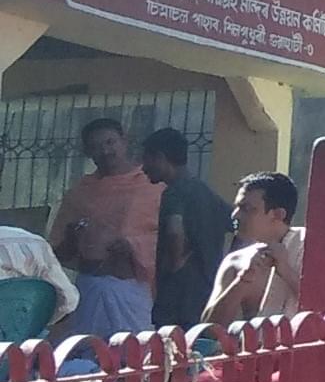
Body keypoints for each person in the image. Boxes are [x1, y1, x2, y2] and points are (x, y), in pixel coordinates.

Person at [48, 118, 161, 340]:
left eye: (110, 142)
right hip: (89, 289)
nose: (105, 151)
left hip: (133, 289)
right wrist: (73, 237)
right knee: (88, 355)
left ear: (124, 141)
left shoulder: (150, 186)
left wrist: (132, 245)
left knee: (135, 356)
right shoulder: (81, 191)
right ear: (88, 152)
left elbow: (167, 240)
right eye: (96, 147)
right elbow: (58, 252)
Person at [140, 129, 229, 330]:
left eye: (147, 160)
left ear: (160, 158)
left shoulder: (174, 193)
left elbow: (174, 231)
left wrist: (175, 262)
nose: (144, 168)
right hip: (206, 295)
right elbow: (238, 225)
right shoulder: (205, 192)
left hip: (176, 299)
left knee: (172, 355)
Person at [204, 173, 306, 327]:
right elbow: (208, 330)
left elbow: (324, 310)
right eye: (237, 207)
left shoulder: (307, 249)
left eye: (246, 209)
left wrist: (285, 271)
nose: (235, 215)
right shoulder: (236, 261)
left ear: (277, 214)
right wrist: (242, 280)